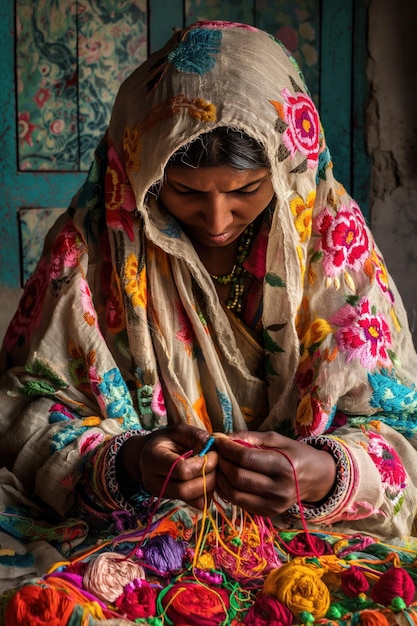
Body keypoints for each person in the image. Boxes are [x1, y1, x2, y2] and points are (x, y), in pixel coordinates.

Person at [1, 19, 417, 621]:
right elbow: (25, 409)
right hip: (138, 527)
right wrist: (127, 461)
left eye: (245, 190)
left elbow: (400, 427)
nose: (218, 219)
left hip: (307, 533)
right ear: (139, 173)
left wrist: (330, 472)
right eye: (186, 192)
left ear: (287, 170)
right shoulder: (96, 244)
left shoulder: (332, 247)